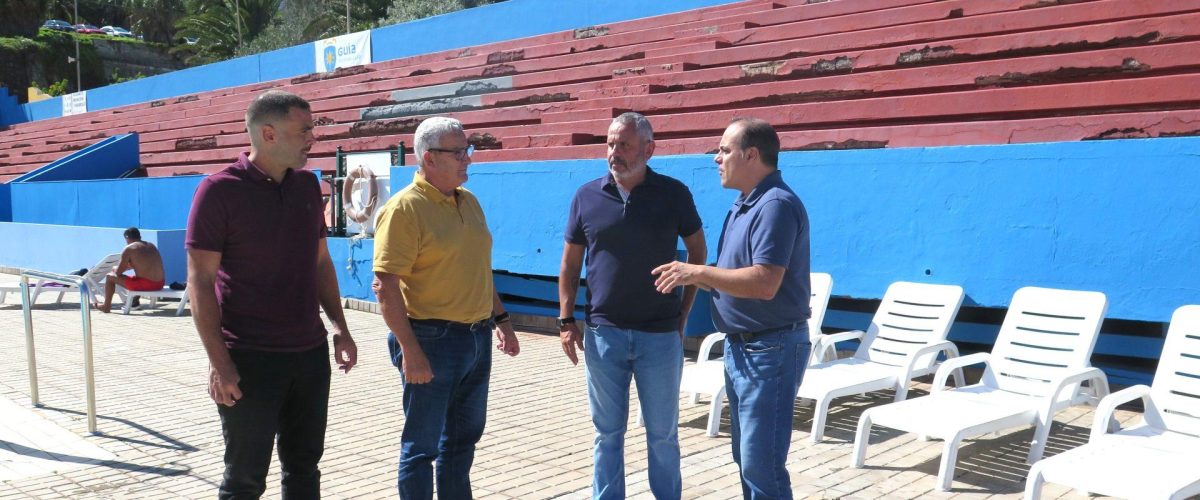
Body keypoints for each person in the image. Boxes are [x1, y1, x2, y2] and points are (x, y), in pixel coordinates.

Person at [186, 90, 358, 500]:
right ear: (268, 133)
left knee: (304, 469)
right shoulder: (218, 191)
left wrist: (340, 327)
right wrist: (220, 363)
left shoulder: (306, 186)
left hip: (309, 357)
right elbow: (200, 283)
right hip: (249, 359)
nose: (312, 138)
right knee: (244, 480)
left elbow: (320, 264)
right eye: (305, 129)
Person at [652, 118, 811, 500]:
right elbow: (731, 275)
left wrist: (699, 271)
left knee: (762, 464)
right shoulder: (743, 205)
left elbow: (764, 282)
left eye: (724, 150)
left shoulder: (775, 205)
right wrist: (693, 277)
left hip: (769, 349)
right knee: (748, 459)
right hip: (744, 349)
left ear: (751, 155)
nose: (716, 159)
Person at [557, 112, 706, 499]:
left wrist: (684, 313)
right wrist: (565, 319)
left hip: (660, 336)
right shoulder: (586, 196)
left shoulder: (674, 194)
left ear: (648, 149)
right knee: (607, 434)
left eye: (623, 144)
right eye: (610, 143)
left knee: (663, 435)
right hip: (604, 335)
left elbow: (698, 254)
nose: (614, 152)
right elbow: (571, 263)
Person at [372, 116, 521, 499]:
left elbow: (478, 269)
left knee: (462, 443)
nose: (466, 159)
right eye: (457, 152)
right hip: (430, 339)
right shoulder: (405, 209)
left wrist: (501, 319)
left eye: (466, 150)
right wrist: (411, 352)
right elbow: (385, 287)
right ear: (429, 158)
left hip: (476, 338)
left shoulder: (469, 202)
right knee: (422, 448)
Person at [98, 227, 165, 313]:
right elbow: (144, 266)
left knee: (110, 277)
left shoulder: (129, 249)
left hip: (147, 285)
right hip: (160, 283)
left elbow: (119, 272)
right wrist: (131, 266)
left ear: (127, 238)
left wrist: (115, 268)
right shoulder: (151, 246)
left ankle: (106, 306)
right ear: (139, 236)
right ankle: (134, 302)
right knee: (135, 278)